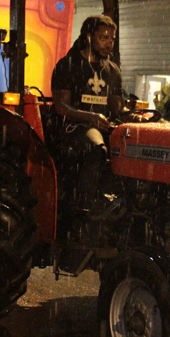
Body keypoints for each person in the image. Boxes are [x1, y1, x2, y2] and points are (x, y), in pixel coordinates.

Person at [51, 15, 124, 215]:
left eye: (112, 39)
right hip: (73, 127)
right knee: (96, 148)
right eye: (103, 38)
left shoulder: (113, 71)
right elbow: (61, 107)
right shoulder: (69, 65)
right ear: (89, 37)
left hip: (104, 126)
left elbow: (117, 107)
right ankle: (85, 207)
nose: (109, 44)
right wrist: (90, 117)